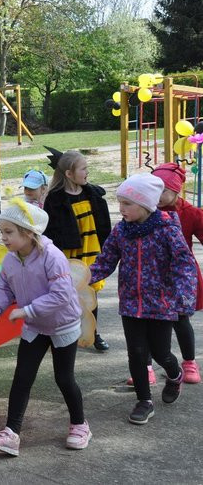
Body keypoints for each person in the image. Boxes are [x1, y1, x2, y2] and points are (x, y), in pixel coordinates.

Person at [0, 200, 89, 456]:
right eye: (1, 231)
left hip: (62, 324)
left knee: (64, 378)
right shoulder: (10, 259)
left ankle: (79, 425)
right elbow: (3, 287)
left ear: (29, 233)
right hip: (35, 326)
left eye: (9, 232)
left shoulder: (52, 257)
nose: (2, 237)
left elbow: (62, 295)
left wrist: (26, 310)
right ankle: (11, 433)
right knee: (22, 376)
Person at [89, 174, 198, 425]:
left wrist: (183, 295)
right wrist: (85, 278)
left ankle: (174, 374)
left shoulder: (167, 229)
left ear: (146, 205)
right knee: (136, 353)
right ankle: (144, 400)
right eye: (120, 203)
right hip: (130, 302)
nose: (121, 209)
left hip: (161, 303)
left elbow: (184, 264)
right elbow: (106, 261)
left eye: (127, 204)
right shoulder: (121, 231)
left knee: (161, 353)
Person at [133, 163, 203, 385]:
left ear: (177, 190)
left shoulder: (190, 213)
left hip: (179, 278)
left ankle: (189, 362)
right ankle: (145, 368)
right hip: (150, 277)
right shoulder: (144, 211)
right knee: (145, 323)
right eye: (155, 190)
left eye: (164, 191)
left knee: (181, 320)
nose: (159, 196)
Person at [42, 149, 111, 352]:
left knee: (91, 293)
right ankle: (63, 331)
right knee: (67, 294)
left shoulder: (93, 194)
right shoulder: (55, 199)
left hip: (91, 251)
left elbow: (103, 224)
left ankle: (93, 333)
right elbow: (50, 230)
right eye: (83, 169)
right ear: (69, 174)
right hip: (68, 254)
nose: (87, 172)